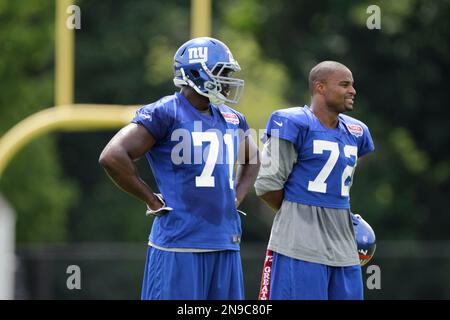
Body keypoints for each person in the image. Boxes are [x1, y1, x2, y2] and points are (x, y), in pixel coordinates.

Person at [99, 37, 260, 300]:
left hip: (224, 241)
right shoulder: (166, 112)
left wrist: (236, 196)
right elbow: (113, 155)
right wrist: (151, 200)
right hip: (180, 243)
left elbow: (253, 159)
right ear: (197, 72)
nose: (229, 80)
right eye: (223, 72)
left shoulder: (232, 118)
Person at [255, 61, 375, 300]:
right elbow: (267, 185)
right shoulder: (292, 122)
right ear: (320, 87)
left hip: (344, 249)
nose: (352, 90)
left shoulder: (357, 131)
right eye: (344, 84)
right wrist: (299, 213)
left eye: (352, 84)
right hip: (299, 247)